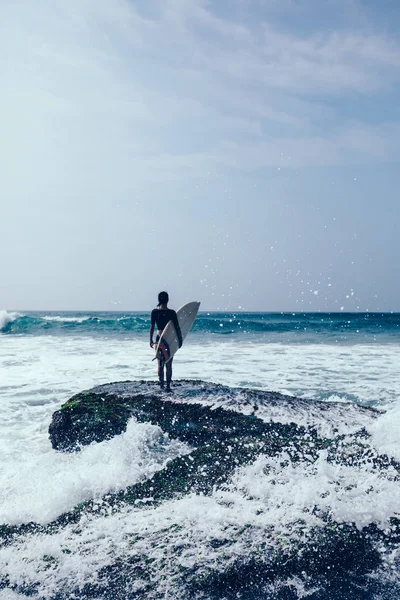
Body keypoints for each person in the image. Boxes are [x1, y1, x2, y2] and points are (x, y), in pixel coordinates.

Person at [150, 291, 182, 392]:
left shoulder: (154, 312)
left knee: (160, 363)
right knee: (169, 363)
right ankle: (168, 386)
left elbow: (152, 327)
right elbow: (177, 328)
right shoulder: (172, 313)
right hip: (168, 340)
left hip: (159, 339)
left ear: (159, 300)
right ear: (168, 300)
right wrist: (180, 340)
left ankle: (161, 385)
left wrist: (150, 340)